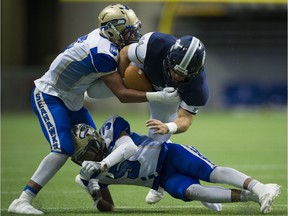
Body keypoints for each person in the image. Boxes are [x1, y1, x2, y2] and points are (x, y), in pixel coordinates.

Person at [8, 4, 180, 215]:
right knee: (63, 148)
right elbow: (122, 95)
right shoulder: (102, 51)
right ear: (112, 30)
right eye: (128, 30)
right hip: (50, 94)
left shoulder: (107, 43)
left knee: (99, 147)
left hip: (73, 99)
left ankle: (94, 187)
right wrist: (158, 95)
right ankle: (23, 199)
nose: (133, 34)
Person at [71, 114, 281, 214]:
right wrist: (94, 193)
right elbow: (109, 208)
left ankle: (261, 188)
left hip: (169, 154)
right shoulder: (92, 173)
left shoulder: (112, 128)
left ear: (95, 139)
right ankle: (251, 197)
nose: (91, 156)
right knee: (194, 192)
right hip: (162, 179)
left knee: (211, 172)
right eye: (85, 156)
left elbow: (129, 149)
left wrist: (103, 165)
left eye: (90, 150)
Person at [118, 32, 209, 203]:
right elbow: (123, 54)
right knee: (108, 82)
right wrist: (120, 81)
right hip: (144, 76)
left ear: (194, 73)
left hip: (169, 97)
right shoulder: (154, 44)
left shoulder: (199, 87)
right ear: (169, 56)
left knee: (158, 138)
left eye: (182, 75)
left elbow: (185, 120)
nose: (175, 76)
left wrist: (169, 126)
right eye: (174, 70)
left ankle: (161, 184)